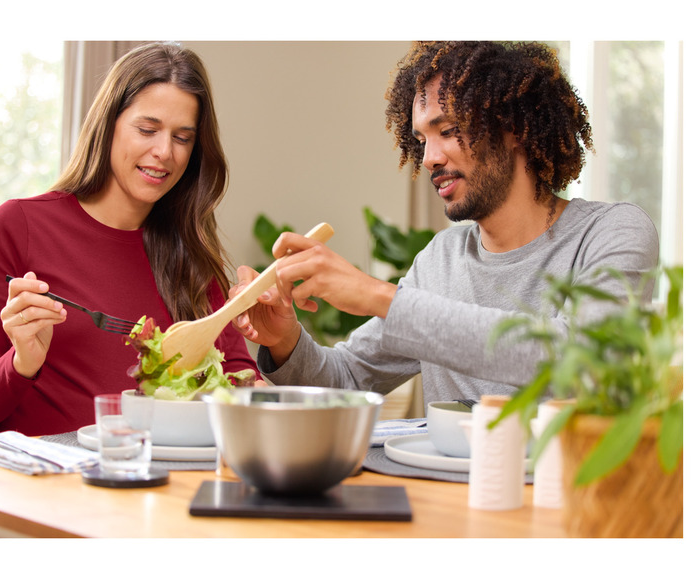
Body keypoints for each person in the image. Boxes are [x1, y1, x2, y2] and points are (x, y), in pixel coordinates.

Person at [231, 41, 659, 407]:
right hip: (447, 499)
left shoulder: (611, 233)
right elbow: (347, 381)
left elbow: (585, 363)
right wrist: (284, 339)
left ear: (514, 129)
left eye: (448, 130)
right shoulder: (440, 261)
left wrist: (379, 297)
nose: (430, 158)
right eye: (421, 141)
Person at [0, 42, 261, 436]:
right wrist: (21, 363)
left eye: (183, 138)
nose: (164, 151)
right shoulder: (18, 227)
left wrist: (267, 377)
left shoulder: (189, 246)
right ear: (108, 124)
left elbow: (237, 374)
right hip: (47, 487)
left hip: (162, 482)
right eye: (147, 129)